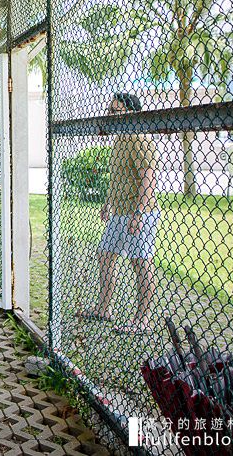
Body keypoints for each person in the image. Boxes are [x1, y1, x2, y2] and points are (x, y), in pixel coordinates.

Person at [76, 93, 159, 334]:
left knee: (140, 263)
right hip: (119, 212)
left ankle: (142, 320)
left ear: (131, 113)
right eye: (110, 110)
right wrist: (108, 203)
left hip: (139, 212)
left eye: (116, 111)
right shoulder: (120, 139)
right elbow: (118, 179)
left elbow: (147, 178)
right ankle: (104, 309)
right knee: (105, 255)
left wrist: (139, 214)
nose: (110, 115)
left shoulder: (139, 138)